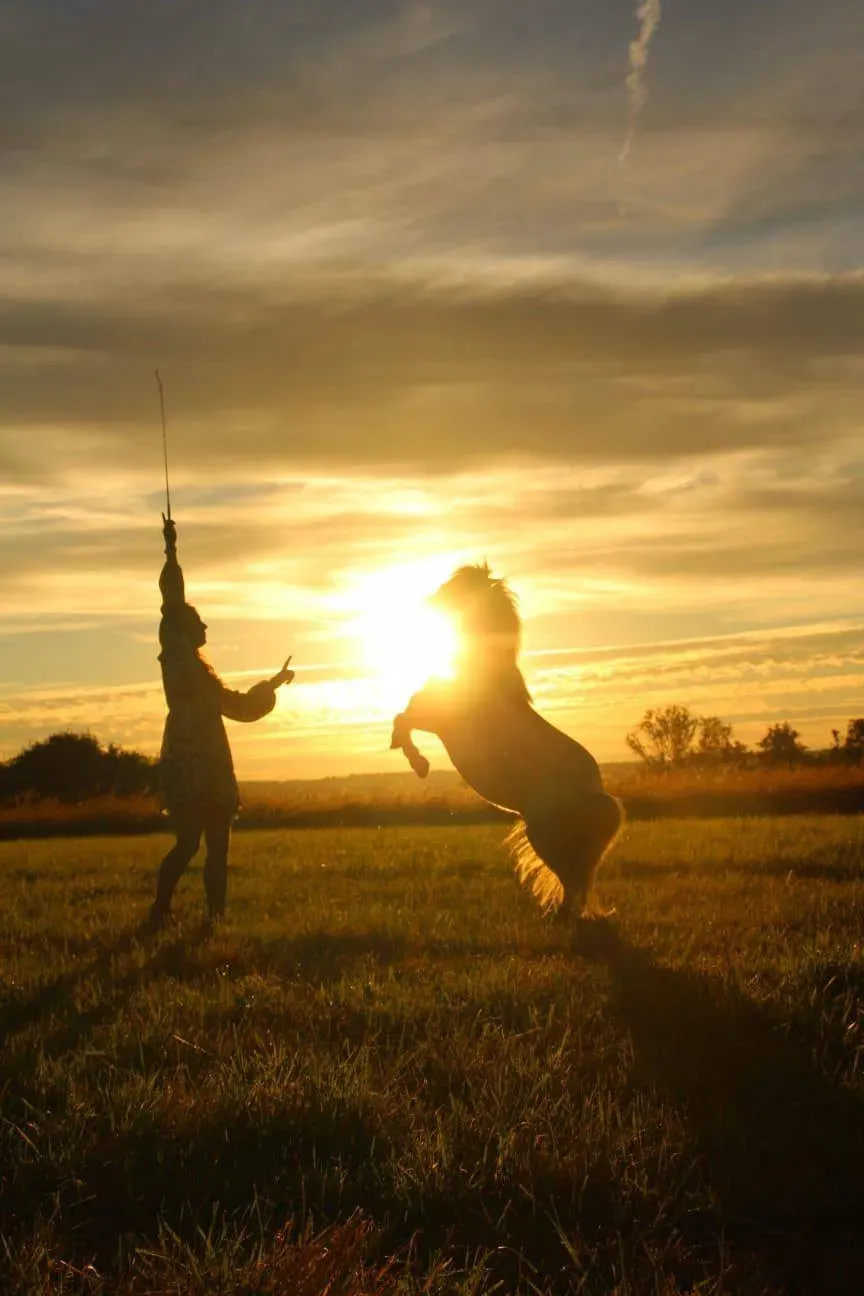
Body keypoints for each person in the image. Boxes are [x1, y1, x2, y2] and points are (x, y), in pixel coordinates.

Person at [149, 515, 294, 926]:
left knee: (209, 845)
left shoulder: (198, 673)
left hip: (205, 765)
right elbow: (172, 599)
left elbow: (239, 706)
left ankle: (210, 916)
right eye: (199, 622)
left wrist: (274, 684)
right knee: (195, 844)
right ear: (182, 630)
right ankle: (167, 909)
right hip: (197, 767)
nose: (205, 624)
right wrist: (171, 549)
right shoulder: (177, 656)